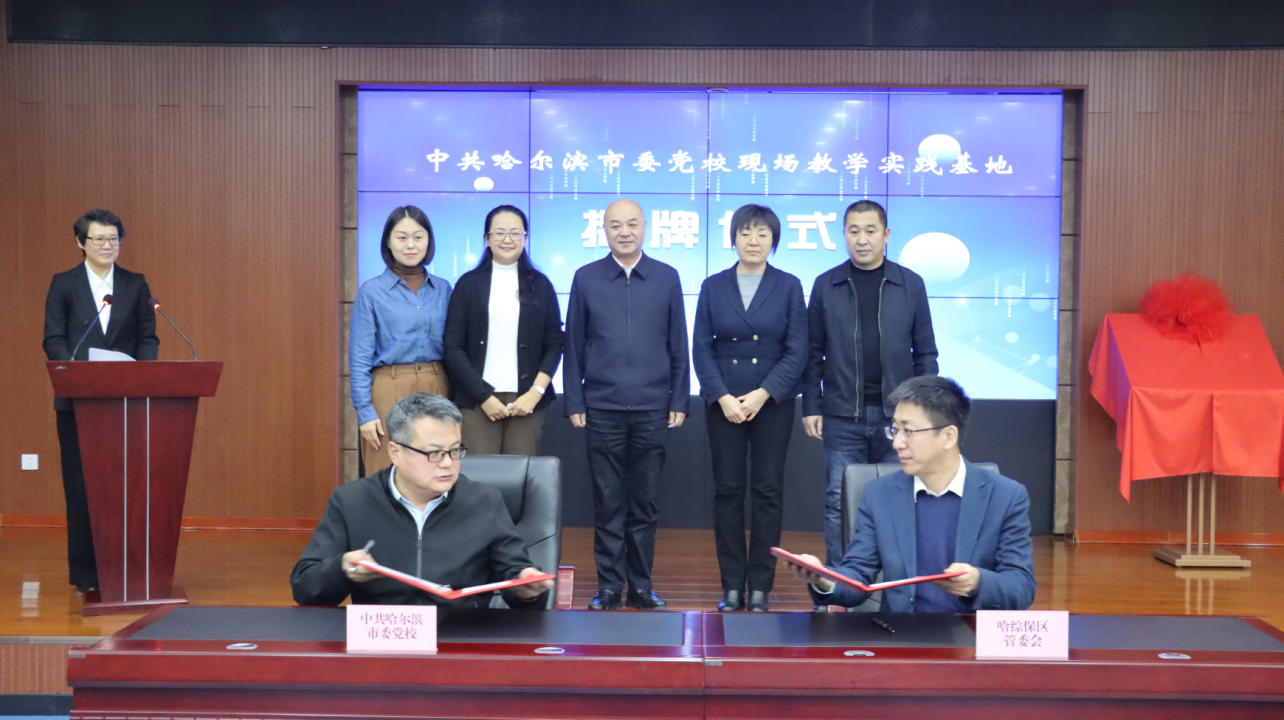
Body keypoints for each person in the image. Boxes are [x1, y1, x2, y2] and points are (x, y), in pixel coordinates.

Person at [787, 376, 1036, 612]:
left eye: (908, 431)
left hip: (972, 636)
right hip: (901, 633)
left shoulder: (1005, 496)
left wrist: (978, 582)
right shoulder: (880, 494)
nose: (897, 443)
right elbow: (858, 576)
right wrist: (824, 579)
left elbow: (1021, 588)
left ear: (948, 436)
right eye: (895, 430)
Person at [291, 392, 553, 608]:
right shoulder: (352, 501)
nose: (448, 463)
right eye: (434, 453)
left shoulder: (485, 501)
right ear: (395, 452)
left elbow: (516, 576)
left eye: (455, 450)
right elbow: (305, 588)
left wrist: (527, 587)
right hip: (384, 639)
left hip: (459, 637)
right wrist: (342, 569)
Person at [802, 199, 938, 589]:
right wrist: (811, 405)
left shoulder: (910, 284)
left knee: (901, 499)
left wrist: (925, 410)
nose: (862, 239)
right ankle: (839, 585)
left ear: (886, 235)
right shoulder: (826, 284)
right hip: (842, 413)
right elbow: (813, 353)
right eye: (854, 231)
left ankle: (897, 587)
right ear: (844, 235)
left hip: (900, 418)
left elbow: (925, 353)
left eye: (870, 230)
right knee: (839, 501)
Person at [563, 199, 689, 611]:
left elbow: (678, 343)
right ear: (603, 230)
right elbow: (573, 343)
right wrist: (575, 398)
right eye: (615, 225)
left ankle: (641, 586)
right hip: (602, 406)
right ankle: (608, 587)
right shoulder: (586, 278)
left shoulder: (667, 277)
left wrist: (679, 398)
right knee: (607, 502)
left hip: (653, 407)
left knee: (645, 503)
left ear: (646, 227)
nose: (624, 231)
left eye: (632, 224)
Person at [692, 204, 807, 613]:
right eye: (745, 233)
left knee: (767, 491)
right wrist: (722, 396)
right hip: (723, 403)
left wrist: (764, 393)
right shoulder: (713, 285)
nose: (753, 241)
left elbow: (798, 349)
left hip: (772, 403)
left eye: (762, 234)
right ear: (733, 238)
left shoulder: (789, 285)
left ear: (773, 240)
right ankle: (731, 586)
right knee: (727, 492)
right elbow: (701, 347)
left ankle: (760, 586)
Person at [43, 209, 160, 595]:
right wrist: (78, 375)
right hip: (79, 403)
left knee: (128, 488)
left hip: (127, 403)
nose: (108, 246)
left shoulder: (135, 283)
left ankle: (131, 569)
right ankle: (87, 574)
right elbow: (54, 339)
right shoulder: (64, 284)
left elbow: (147, 337)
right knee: (82, 489)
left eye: (114, 239)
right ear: (81, 243)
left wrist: (142, 374)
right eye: (99, 239)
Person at [442, 205, 562, 455]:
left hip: (526, 400)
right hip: (477, 401)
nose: (507, 239)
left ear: (525, 238)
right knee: (480, 474)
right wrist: (483, 396)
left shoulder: (541, 285)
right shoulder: (468, 284)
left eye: (515, 233)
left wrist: (536, 392)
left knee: (521, 472)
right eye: (499, 233)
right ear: (487, 238)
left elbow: (554, 343)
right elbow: (453, 346)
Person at [350, 206, 452, 476]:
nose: (410, 245)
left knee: (434, 470)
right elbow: (359, 358)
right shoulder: (371, 292)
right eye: (402, 237)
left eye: (418, 237)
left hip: (436, 384)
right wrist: (365, 411)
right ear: (388, 241)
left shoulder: (443, 289)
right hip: (388, 387)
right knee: (386, 470)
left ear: (428, 240)